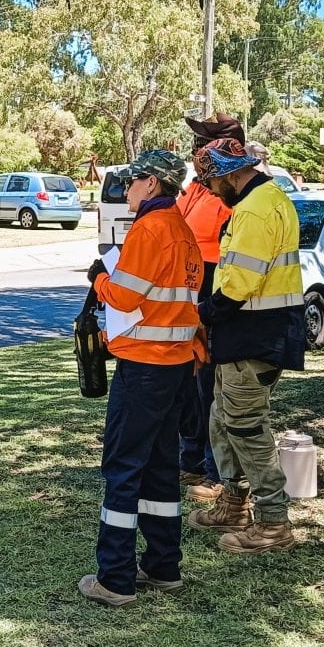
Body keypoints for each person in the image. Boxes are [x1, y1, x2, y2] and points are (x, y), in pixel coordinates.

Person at [79, 150, 203, 607]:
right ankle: (163, 564)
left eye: (131, 182)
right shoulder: (183, 231)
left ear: (151, 183)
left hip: (144, 366)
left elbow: (126, 296)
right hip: (175, 366)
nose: (126, 190)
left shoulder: (150, 229)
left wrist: (99, 280)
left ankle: (115, 577)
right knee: (159, 466)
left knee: (124, 466)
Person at [188, 137, 305, 554]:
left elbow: (239, 283)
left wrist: (203, 311)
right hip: (252, 332)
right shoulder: (271, 198)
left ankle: (273, 523)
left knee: (246, 426)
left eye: (210, 181)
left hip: (254, 332)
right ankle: (234, 504)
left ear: (226, 173)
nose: (209, 190)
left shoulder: (254, 210)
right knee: (223, 418)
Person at [176, 114, 237, 504]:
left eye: (203, 141)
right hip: (190, 282)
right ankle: (192, 457)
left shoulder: (226, 192)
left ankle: (217, 471)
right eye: (196, 142)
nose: (196, 148)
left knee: (210, 382)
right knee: (191, 379)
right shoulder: (195, 189)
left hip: (216, 283)